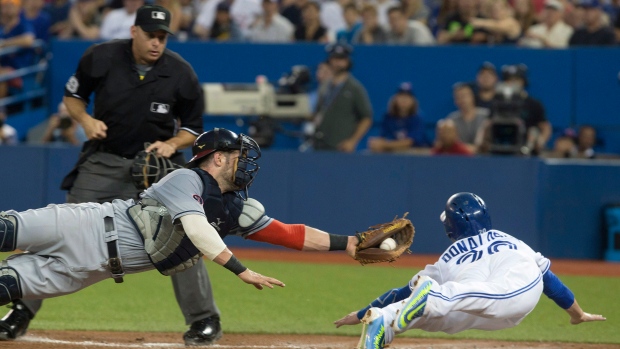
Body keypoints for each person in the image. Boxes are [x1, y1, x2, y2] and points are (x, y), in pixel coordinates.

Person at [0, 128, 361, 338]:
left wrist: (348, 244)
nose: (246, 162)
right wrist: (241, 269)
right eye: (237, 154)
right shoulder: (186, 179)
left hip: (92, 270)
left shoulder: (233, 207)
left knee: (5, 286)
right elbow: (197, 227)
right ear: (216, 157)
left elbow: (290, 234)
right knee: (4, 230)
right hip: (86, 225)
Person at [0, 4, 211, 345]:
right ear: (134, 31)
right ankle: (21, 310)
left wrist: (173, 143)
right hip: (104, 162)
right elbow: (73, 97)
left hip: (156, 172)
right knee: (57, 232)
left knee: (184, 239)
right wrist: (85, 121)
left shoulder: (181, 72)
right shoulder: (102, 57)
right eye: (151, 35)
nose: (157, 43)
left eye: (162, 37)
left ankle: (204, 319)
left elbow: (193, 129)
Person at [334, 192, 606, 349]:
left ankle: (410, 306)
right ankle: (384, 324)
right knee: (446, 312)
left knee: (446, 298)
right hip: (513, 296)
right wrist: (578, 314)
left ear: (450, 227)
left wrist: (358, 312)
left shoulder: (446, 259)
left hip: (486, 292)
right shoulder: (510, 240)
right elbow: (551, 282)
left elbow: (401, 292)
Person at [311, 43, 373, 152]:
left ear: (347, 62)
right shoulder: (324, 86)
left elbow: (366, 118)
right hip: (320, 144)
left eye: (341, 59)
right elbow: (318, 112)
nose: (337, 63)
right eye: (334, 59)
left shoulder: (354, 88)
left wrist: (352, 141)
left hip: (340, 146)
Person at [367, 82, 429, 153]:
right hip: (394, 154)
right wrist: (376, 143)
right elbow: (383, 137)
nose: (404, 99)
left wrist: (385, 145)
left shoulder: (418, 118)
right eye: (401, 96)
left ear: (413, 100)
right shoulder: (388, 117)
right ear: (395, 98)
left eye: (407, 97)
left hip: (416, 155)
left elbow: (410, 142)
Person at [446, 83, 489, 153]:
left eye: (464, 96)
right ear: (455, 101)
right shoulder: (451, 119)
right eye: (458, 97)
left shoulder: (486, 116)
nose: (461, 100)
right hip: (459, 158)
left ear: (472, 96)